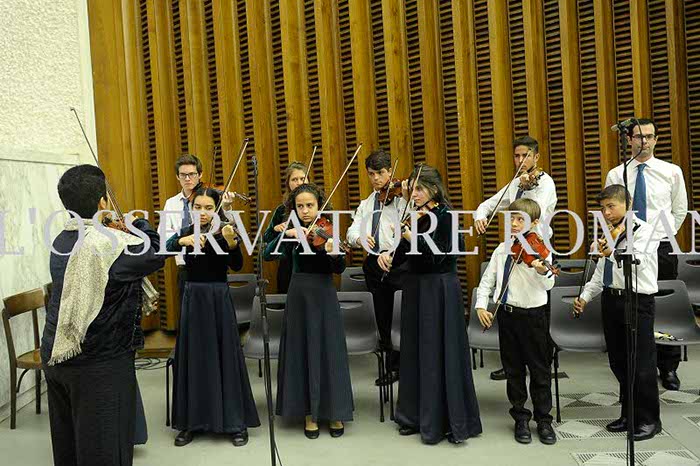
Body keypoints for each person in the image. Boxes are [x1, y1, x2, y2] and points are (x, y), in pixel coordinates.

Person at [41, 165, 165, 465]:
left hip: (57, 354)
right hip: (99, 362)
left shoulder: (61, 239)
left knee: (69, 446)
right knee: (105, 449)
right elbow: (156, 251)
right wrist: (137, 224)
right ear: (102, 203)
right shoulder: (110, 246)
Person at [378, 165, 482, 445]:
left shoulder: (447, 218)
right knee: (415, 351)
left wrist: (411, 237)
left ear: (433, 189)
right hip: (415, 289)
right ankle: (413, 416)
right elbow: (405, 255)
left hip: (439, 290)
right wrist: (388, 255)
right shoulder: (415, 217)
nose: (413, 194)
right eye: (411, 189)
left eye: (419, 189)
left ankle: (445, 420)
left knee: (439, 352)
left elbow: (438, 257)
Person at [166, 186, 260, 447]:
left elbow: (237, 264)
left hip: (218, 297)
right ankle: (190, 422)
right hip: (193, 298)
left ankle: (234, 422)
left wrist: (231, 242)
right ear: (191, 208)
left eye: (209, 208)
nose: (203, 213)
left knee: (225, 356)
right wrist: (182, 241)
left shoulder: (225, 230)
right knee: (194, 357)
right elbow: (165, 247)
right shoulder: (186, 231)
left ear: (216, 209)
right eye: (197, 207)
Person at [604, 118, 688, 391]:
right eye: (639, 137)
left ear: (656, 140)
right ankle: (636, 366)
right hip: (627, 247)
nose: (645, 141)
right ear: (629, 139)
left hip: (660, 246)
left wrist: (659, 236)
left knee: (663, 304)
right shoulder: (617, 174)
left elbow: (679, 210)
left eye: (650, 136)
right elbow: (612, 210)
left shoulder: (671, 171)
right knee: (634, 305)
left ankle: (669, 365)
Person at [265, 183, 354, 439]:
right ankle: (308, 412)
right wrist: (285, 234)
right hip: (299, 294)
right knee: (302, 350)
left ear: (319, 206)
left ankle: (335, 411)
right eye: (300, 206)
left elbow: (339, 268)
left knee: (329, 350)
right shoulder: (292, 232)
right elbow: (267, 254)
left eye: (310, 205)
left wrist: (333, 252)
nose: (305, 211)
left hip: (324, 292)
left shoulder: (327, 229)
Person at [574, 184, 661, 441]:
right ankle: (629, 414)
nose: (607, 213)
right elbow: (601, 275)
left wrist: (613, 251)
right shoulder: (610, 234)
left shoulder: (645, 231)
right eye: (603, 208)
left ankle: (649, 420)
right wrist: (585, 296)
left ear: (628, 204)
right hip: (611, 301)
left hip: (636, 301)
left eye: (611, 206)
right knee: (619, 362)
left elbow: (638, 262)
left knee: (641, 364)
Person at [473, 136, 558, 381]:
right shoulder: (515, 183)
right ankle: (513, 364)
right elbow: (488, 205)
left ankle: (540, 364)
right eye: (517, 156)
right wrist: (480, 216)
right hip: (513, 248)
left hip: (535, 247)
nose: (521, 160)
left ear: (536, 157)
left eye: (526, 155)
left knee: (536, 309)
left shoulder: (545, 183)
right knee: (511, 307)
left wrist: (525, 186)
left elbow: (531, 213)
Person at [475, 198, 556, 445]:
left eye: (521, 219)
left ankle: (544, 420)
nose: (515, 224)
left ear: (535, 223)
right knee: (513, 370)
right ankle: (520, 417)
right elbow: (487, 281)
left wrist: (541, 271)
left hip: (534, 316)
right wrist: (481, 305)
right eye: (512, 219)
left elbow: (549, 284)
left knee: (540, 371)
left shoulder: (541, 248)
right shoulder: (502, 249)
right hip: (508, 316)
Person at [346, 148, 407, 385]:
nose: (376, 179)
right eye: (371, 174)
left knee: (402, 317)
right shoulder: (367, 203)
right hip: (374, 266)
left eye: (380, 173)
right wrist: (360, 238)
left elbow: (411, 231)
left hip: (399, 263)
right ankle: (392, 367)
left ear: (390, 171)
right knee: (383, 318)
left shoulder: (403, 200)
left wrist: (390, 253)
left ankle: (409, 364)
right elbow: (351, 231)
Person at [263, 161, 308, 293]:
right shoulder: (282, 210)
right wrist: (276, 229)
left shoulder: (317, 207)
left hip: (311, 267)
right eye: (294, 179)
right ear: (288, 183)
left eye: (302, 178)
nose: (299, 183)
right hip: (287, 267)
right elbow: (267, 239)